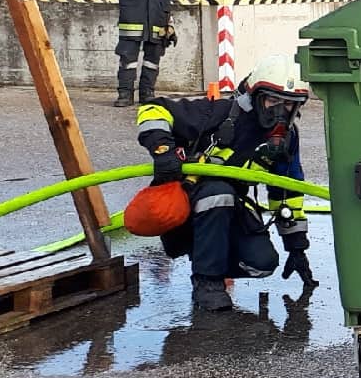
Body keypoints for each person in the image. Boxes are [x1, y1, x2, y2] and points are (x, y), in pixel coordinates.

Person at [135, 53, 317, 312]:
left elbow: (287, 193)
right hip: (186, 210)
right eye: (272, 100)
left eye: (287, 104)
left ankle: (209, 257)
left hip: (229, 210)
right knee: (218, 193)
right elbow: (153, 109)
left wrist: (297, 247)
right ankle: (207, 282)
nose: (279, 112)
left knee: (262, 263)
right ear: (256, 95)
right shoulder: (220, 113)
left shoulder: (287, 139)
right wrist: (163, 150)